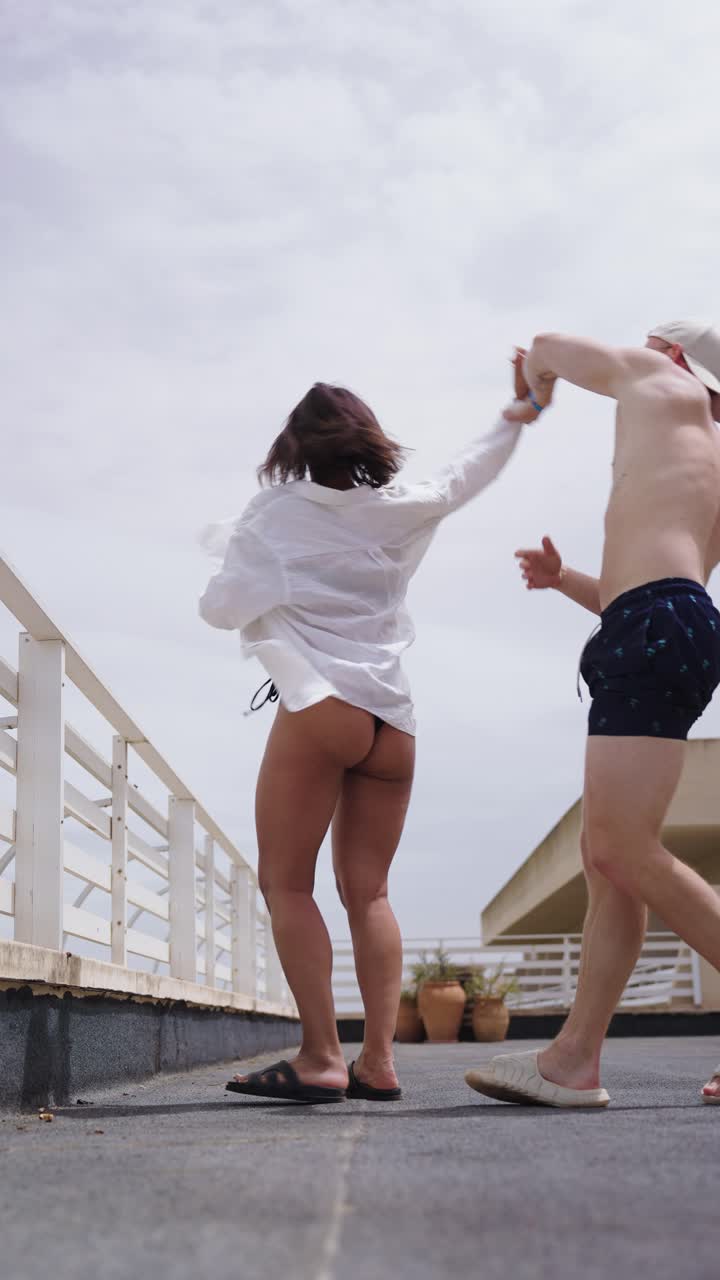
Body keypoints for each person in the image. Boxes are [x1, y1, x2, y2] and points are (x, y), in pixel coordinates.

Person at [199, 367, 547, 1103]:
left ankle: (322, 1055)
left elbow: (221, 609)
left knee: (287, 882)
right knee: (372, 894)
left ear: (292, 444)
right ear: (364, 439)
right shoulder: (400, 507)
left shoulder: (272, 515)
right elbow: (463, 475)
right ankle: (379, 1061)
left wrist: (243, 562)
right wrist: (519, 411)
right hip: (393, 721)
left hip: (323, 708)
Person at [465, 319, 720, 1109]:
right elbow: (647, 586)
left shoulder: (659, 379)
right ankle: (574, 1059)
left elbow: (543, 344)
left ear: (676, 357)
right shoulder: (708, 450)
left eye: (650, 341)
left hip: (652, 627)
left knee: (617, 847)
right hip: (665, 622)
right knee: (610, 860)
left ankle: (574, 1059)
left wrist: (531, 394)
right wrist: (564, 576)